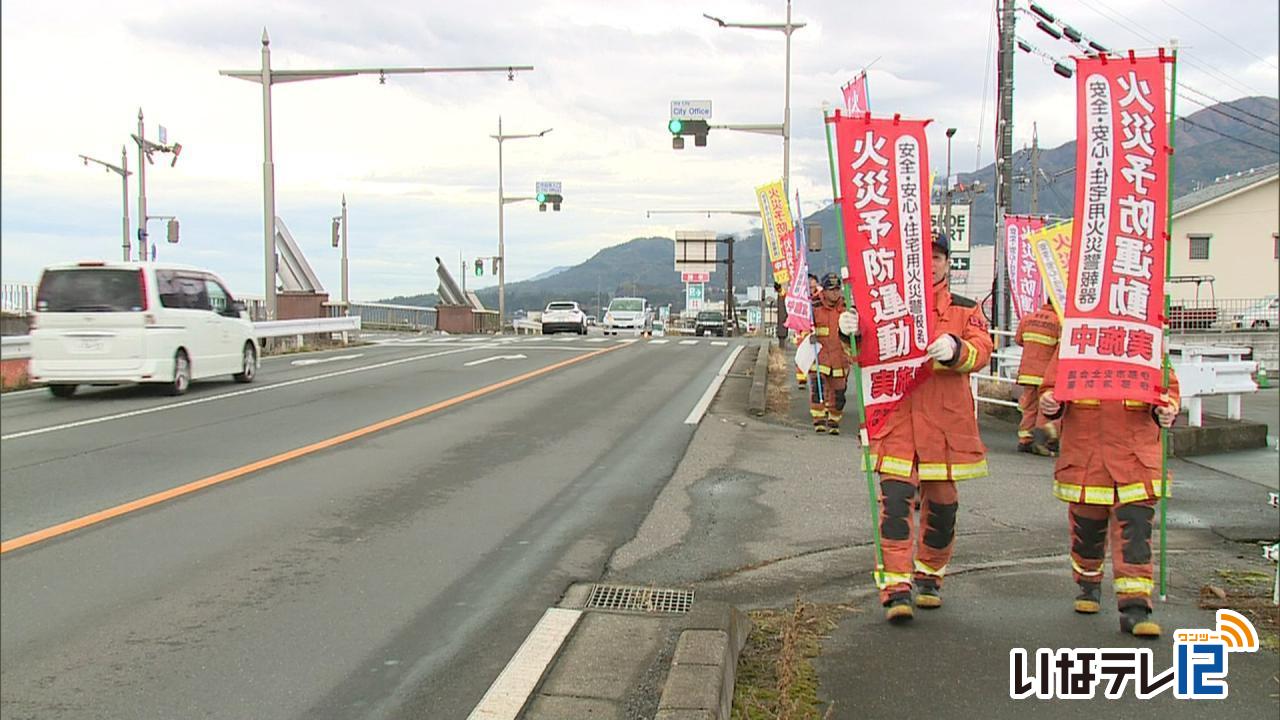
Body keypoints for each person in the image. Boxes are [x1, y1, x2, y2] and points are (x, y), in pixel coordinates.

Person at [841, 233, 993, 623]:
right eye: (924, 257)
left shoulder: (964, 308)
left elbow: (982, 350)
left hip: (945, 425)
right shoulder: (885, 306)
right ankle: (895, 589)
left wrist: (957, 349)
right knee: (894, 507)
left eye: (939, 256)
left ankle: (929, 576)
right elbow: (861, 356)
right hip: (895, 421)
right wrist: (851, 331)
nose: (932, 263)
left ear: (948, 263)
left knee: (943, 509)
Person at [1039, 354, 1180, 638]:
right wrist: (1050, 402)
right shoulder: (1075, 343)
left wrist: (1166, 409)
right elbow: (1052, 389)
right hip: (1086, 455)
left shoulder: (1145, 339)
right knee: (1087, 528)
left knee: (1136, 531)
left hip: (1135, 457)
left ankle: (1136, 607)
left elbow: (1167, 389)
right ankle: (1088, 584)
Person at [1014, 301, 1061, 455]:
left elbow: (1018, 340)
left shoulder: (1028, 318)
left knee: (1028, 407)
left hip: (1027, 371)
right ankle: (1040, 442)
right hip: (1045, 373)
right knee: (1044, 409)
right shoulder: (1058, 321)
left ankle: (1025, 439)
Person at [808, 273, 852, 435]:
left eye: (837, 289)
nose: (835, 292)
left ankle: (834, 420)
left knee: (839, 393)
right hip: (819, 355)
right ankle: (818, 420)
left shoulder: (846, 307)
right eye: (831, 289)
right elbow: (804, 325)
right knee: (817, 389)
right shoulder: (813, 305)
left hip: (840, 357)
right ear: (824, 290)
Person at [795, 274, 822, 388]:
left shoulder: (821, 296)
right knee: (803, 353)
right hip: (803, 329)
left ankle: (817, 378)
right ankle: (802, 379)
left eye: (813, 282)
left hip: (817, 328)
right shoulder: (801, 295)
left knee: (819, 356)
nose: (811, 284)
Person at [774, 282, 789, 349]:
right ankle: (782, 345)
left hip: (783, 320)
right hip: (783, 320)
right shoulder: (783, 294)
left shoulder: (783, 294)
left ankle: (782, 345)